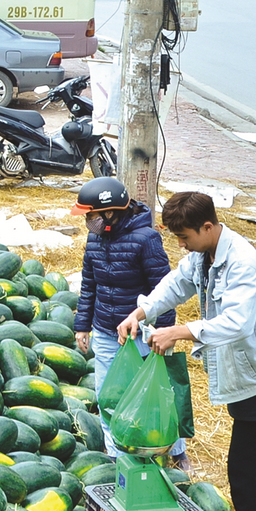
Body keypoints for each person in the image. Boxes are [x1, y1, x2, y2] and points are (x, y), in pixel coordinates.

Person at [117, 191, 256, 511]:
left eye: (185, 237)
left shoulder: (242, 261)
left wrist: (180, 332)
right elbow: (175, 285)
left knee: (243, 462)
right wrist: (140, 312)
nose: (181, 245)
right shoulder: (203, 255)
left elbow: (237, 323)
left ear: (207, 226)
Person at [68, 177, 191, 471]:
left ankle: (175, 449)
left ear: (109, 212)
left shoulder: (146, 239)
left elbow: (164, 290)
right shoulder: (95, 238)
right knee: (108, 395)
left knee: (155, 393)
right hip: (106, 330)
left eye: (91, 215)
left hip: (141, 332)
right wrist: (82, 324)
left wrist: (162, 331)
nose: (88, 221)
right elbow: (89, 285)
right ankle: (117, 455)